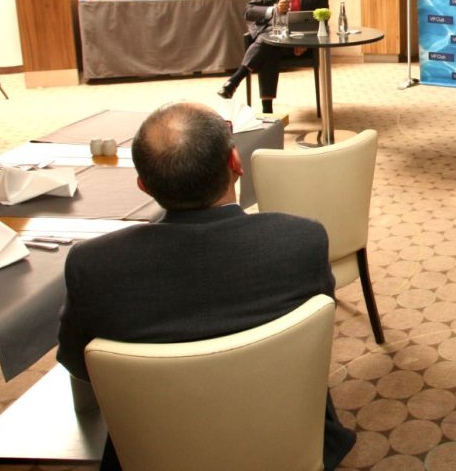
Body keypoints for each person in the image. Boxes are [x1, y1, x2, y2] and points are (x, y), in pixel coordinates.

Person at [57, 103, 355, 470]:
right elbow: (316, 347)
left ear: (144, 186)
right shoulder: (301, 241)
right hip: (283, 435)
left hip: (157, 448)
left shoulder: (94, 264)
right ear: (235, 162)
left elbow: (79, 364)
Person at [218, 0, 329, 113]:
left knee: (267, 45)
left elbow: (323, 19)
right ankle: (267, 110)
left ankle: (236, 81)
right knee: (270, 43)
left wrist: (306, 41)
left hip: (300, 45)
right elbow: (249, 11)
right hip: (272, 36)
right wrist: (274, 10)